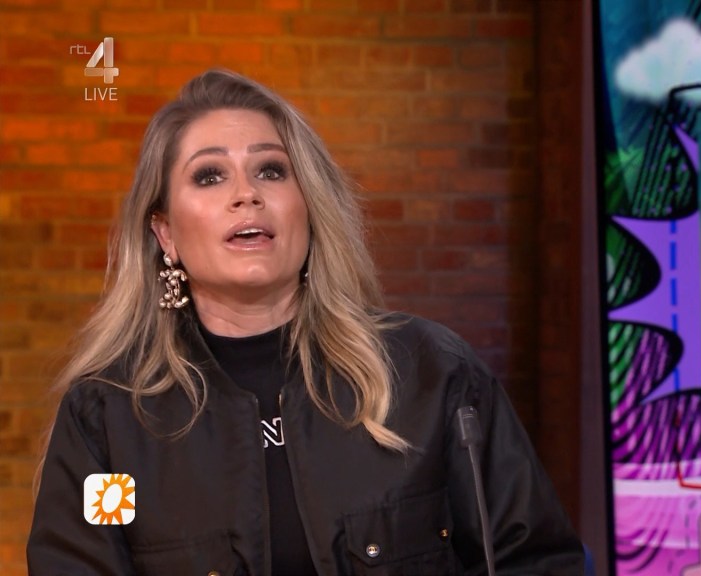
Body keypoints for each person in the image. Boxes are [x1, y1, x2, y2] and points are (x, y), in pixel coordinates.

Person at [27, 69, 583, 575]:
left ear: (309, 207)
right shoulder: (110, 421)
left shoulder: (432, 374)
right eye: (210, 176)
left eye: (271, 171)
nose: (247, 195)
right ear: (165, 234)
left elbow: (534, 562)